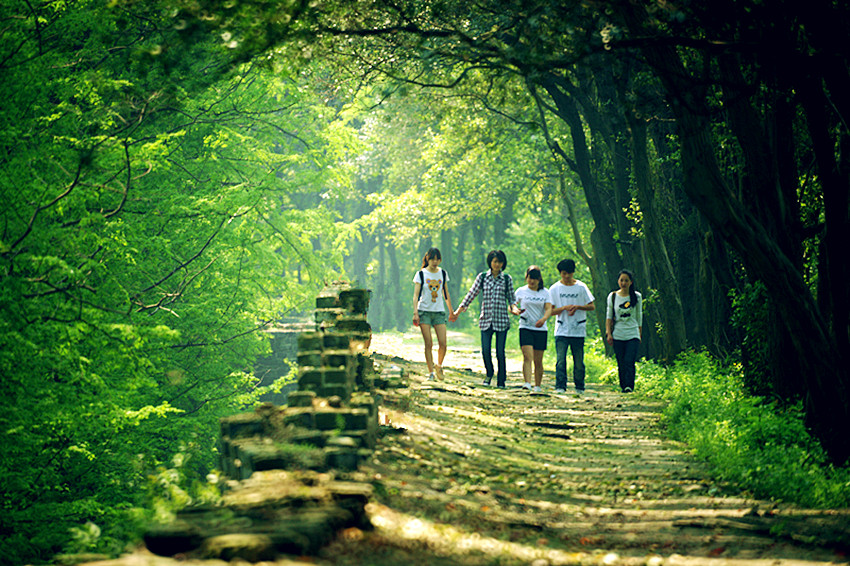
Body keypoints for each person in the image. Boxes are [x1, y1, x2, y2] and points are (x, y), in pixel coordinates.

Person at [454, 250, 518, 388]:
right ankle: (489, 373)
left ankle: (501, 381)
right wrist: (460, 309)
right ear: (490, 262)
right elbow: (472, 293)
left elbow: (512, 299)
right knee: (485, 350)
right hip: (486, 320)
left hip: (501, 320)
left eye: (499, 262)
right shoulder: (483, 277)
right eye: (495, 261)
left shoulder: (507, 279)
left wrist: (514, 309)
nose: (497, 264)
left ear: (503, 263)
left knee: (500, 352)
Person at [549, 259, 595, 393]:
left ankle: (580, 386)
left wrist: (578, 307)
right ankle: (560, 386)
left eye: (569, 273)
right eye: (564, 274)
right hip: (561, 329)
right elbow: (550, 311)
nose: (567, 276)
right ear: (560, 273)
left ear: (573, 272)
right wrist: (563, 308)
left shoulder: (581, 287)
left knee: (579, 361)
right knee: (560, 360)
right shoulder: (554, 289)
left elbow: (591, 306)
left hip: (578, 330)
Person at [412, 248, 454, 381]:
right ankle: (430, 372)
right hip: (424, 311)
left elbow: (445, 293)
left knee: (443, 343)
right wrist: (415, 313)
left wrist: (451, 311)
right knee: (428, 343)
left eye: (437, 259)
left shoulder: (442, 273)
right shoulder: (421, 274)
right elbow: (416, 295)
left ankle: (439, 365)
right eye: (432, 259)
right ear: (427, 259)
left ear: (440, 260)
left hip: (439, 312)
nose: (435, 262)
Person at [513, 265, 552, 392]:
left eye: (535, 279)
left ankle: (538, 385)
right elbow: (513, 304)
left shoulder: (545, 292)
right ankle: (527, 382)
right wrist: (514, 310)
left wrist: (544, 319)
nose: (532, 281)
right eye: (530, 278)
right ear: (526, 278)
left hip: (540, 329)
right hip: (525, 327)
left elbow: (548, 308)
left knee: (538, 360)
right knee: (527, 356)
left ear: (539, 279)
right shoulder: (521, 291)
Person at [605, 269, 643, 393]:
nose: (623, 283)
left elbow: (639, 316)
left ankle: (629, 386)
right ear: (618, 281)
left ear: (631, 282)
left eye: (626, 280)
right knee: (621, 361)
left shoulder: (637, 296)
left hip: (632, 333)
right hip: (618, 334)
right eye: (621, 280)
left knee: (629, 360)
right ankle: (623, 385)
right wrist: (609, 333)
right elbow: (609, 316)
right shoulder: (613, 296)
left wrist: (639, 333)